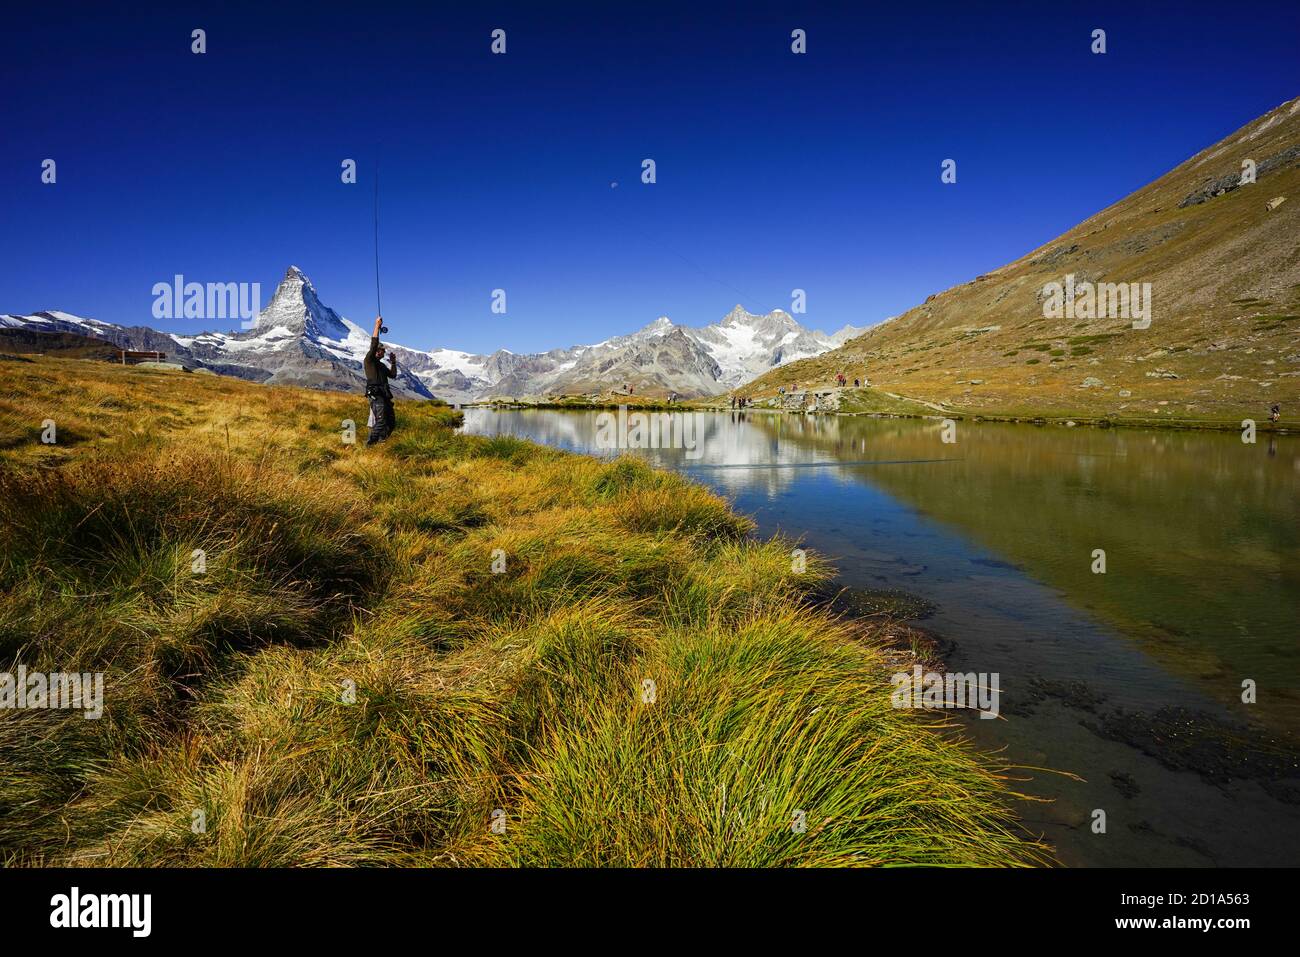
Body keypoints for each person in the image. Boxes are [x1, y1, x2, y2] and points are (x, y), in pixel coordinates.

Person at [363, 315, 398, 446]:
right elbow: (373, 345)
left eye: (382, 351)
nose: (382, 352)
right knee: (381, 421)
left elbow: (393, 375)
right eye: (380, 350)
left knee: (391, 422)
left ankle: (381, 441)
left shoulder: (382, 365)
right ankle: (369, 444)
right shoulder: (369, 360)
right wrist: (377, 326)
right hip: (376, 395)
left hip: (384, 395)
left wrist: (394, 362)